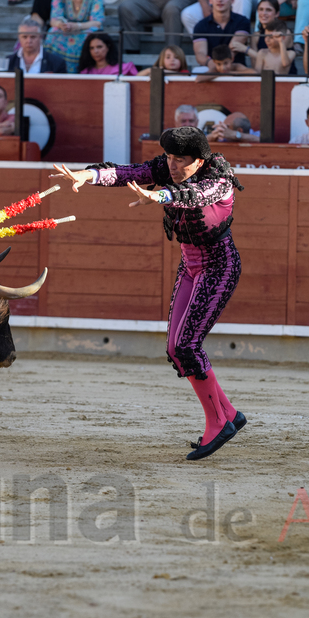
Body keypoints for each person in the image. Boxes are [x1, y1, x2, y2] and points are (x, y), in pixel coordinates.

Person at [51, 129, 248, 460]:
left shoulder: (219, 178)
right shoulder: (169, 167)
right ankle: (229, 414)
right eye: (169, 157)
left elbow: (194, 195)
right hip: (190, 266)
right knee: (175, 348)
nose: (171, 165)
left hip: (219, 266)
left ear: (198, 161)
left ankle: (217, 422)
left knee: (186, 346)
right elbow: (130, 173)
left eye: (179, 159)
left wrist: (158, 197)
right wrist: (89, 175)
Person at [44, 0, 102, 72]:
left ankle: (82, 70)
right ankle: (52, 69)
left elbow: (97, 22)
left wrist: (77, 26)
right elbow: (54, 19)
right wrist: (61, 24)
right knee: (53, 32)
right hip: (66, 29)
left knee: (91, 33)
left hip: (85, 29)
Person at [192, 0, 251, 69]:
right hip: (210, 67)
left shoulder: (242, 21)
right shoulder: (201, 25)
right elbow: (200, 54)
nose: (220, 0)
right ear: (210, 0)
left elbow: (233, 49)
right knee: (197, 71)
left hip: (235, 67)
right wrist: (210, 63)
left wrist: (222, 65)